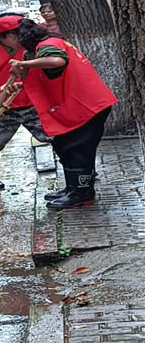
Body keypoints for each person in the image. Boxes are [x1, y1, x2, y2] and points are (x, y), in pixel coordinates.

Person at [8, 18, 118, 208]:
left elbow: (57, 61)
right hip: (82, 102)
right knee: (65, 144)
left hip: (85, 105)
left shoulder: (48, 45)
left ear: (12, 36)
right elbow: (47, 75)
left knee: (76, 146)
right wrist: (21, 82)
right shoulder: (46, 45)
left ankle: (82, 192)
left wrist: (23, 65)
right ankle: (74, 187)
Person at [0, 15, 52, 188]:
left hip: (31, 103)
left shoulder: (34, 49)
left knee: (56, 135)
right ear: (9, 36)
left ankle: (75, 169)